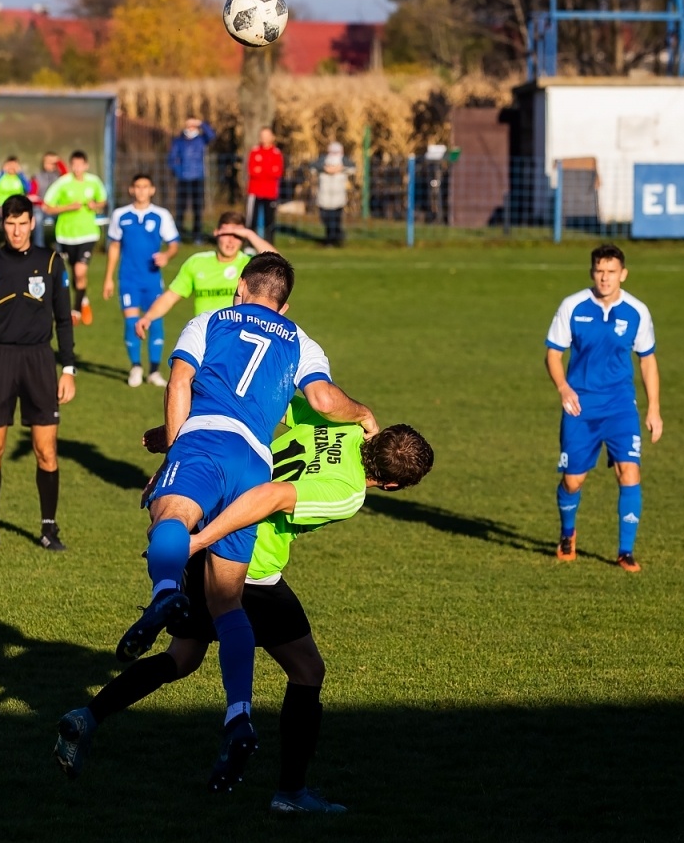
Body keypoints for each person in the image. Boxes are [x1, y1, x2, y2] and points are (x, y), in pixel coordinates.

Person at [55, 398, 434, 811]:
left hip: (206, 514)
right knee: (307, 670)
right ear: (394, 486)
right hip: (246, 566)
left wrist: (178, 438)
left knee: (183, 656)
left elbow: (254, 406)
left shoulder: (337, 424)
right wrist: (200, 541)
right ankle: (290, 793)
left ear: (379, 436)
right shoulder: (348, 492)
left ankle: (86, 718)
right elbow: (271, 496)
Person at [116, 252, 378, 792]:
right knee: (229, 604)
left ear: (241, 287)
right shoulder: (301, 340)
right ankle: (238, 715)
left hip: (206, 438)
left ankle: (165, 591)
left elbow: (180, 383)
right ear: (286, 302)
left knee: (169, 518)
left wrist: (173, 451)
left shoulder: (208, 320)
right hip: (253, 462)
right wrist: (364, 414)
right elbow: (324, 400)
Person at [0, 195, 78, 552]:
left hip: (40, 362)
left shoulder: (50, 262)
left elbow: (64, 318)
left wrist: (69, 369)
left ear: (32, 223)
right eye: (10, 224)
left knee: (46, 450)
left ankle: (49, 528)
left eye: (22, 223)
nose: (16, 231)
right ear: (3, 225)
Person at [545, 242, 663, 572]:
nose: (605, 278)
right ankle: (568, 534)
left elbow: (648, 361)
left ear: (623, 274)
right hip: (579, 408)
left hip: (620, 408)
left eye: (612, 272)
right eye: (599, 271)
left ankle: (625, 551)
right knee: (573, 481)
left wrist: (653, 408)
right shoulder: (573, 306)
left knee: (630, 472)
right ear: (591, 272)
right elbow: (553, 354)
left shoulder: (637, 311)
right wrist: (563, 387)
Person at [133, 212, 276, 341]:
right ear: (216, 233)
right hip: (204, 337)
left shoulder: (249, 264)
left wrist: (250, 234)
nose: (231, 241)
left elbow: (276, 263)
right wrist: (148, 317)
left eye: (238, 236)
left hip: (238, 339)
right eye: (227, 234)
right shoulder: (197, 262)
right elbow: (171, 296)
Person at [102, 174, 180, 388]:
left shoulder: (161, 215)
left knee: (155, 321)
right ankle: (136, 366)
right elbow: (115, 246)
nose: (141, 191)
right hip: (128, 278)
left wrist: (166, 255)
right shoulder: (120, 215)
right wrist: (108, 278)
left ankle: (154, 371)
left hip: (152, 278)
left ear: (152, 190)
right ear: (131, 190)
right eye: (137, 187)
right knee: (131, 322)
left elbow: (174, 244)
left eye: (145, 187)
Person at [41, 150, 108, 325]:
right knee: (73, 272)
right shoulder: (62, 183)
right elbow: (47, 207)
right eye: (74, 165)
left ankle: (76, 311)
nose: (78, 168)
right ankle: (84, 299)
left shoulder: (93, 182)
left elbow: (102, 201)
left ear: (86, 165)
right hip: (66, 235)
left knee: (80, 271)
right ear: (71, 165)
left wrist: (96, 205)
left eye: (81, 165)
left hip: (88, 234)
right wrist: (67, 207)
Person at [167, 115, 215, 242]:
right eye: (188, 125)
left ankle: (197, 235)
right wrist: (179, 172)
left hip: (198, 178)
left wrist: (201, 123)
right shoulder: (178, 141)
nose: (190, 128)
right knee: (180, 208)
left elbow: (212, 135)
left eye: (193, 125)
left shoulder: (201, 140)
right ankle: (178, 234)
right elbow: (172, 159)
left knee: (197, 208)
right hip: (183, 179)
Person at [245, 127, 284, 241]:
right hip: (255, 190)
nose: (264, 138)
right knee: (252, 219)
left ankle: (269, 244)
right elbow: (252, 170)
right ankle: (250, 244)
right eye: (262, 136)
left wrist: (262, 169)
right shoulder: (255, 151)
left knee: (270, 220)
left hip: (270, 191)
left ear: (272, 137)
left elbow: (277, 172)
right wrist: (267, 170)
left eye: (267, 136)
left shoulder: (276, 153)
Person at [316, 142, 349, 247]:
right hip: (324, 197)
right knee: (325, 218)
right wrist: (325, 169)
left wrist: (340, 168)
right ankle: (331, 238)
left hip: (338, 197)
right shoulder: (323, 160)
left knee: (335, 219)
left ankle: (333, 240)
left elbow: (352, 166)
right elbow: (313, 165)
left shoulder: (344, 161)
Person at [34, 152, 68, 247]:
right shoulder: (37, 177)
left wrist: (58, 161)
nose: (49, 164)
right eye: (47, 162)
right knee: (37, 217)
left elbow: (66, 175)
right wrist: (43, 205)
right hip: (41, 208)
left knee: (63, 217)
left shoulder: (61, 177)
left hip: (56, 209)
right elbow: (32, 195)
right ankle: (39, 247)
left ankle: (61, 248)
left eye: (52, 162)